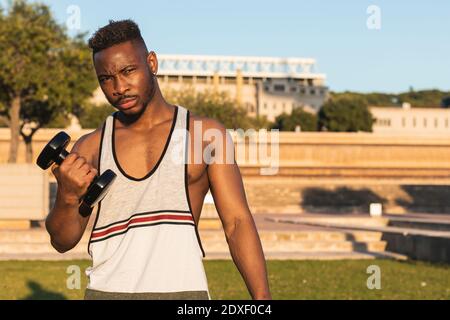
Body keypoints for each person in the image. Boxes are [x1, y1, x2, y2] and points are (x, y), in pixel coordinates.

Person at [45, 19, 271, 300]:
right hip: (107, 293)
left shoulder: (206, 135)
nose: (119, 87)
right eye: (106, 78)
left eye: (128, 71)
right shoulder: (90, 146)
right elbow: (62, 242)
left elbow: (237, 223)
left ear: (151, 62)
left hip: (183, 294)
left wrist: (263, 301)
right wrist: (67, 196)